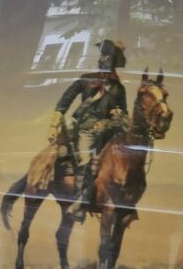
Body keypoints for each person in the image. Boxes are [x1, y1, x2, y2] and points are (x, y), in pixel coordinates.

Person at [48, 38, 129, 210]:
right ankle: (79, 200)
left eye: (108, 57)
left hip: (107, 131)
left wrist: (113, 119)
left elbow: (124, 116)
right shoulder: (86, 80)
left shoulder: (118, 89)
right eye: (103, 55)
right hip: (85, 128)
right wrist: (55, 121)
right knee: (85, 158)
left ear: (113, 62)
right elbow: (66, 99)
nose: (103, 59)